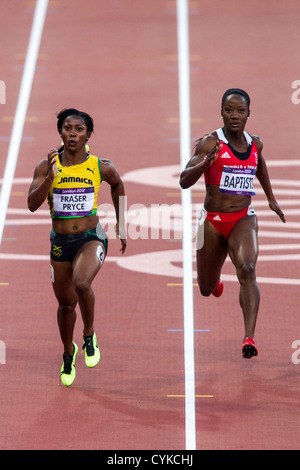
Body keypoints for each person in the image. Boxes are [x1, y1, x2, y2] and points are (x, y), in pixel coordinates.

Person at [179, 89, 286, 358]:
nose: (234, 116)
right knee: (204, 289)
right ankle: (214, 283)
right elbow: (183, 180)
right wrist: (205, 163)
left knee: (248, 269)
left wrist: (271, 199)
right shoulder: (209, 143)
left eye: (240, 111)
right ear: (222, 112)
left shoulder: (255, 144)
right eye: (229, 110)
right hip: (212, 222)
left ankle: (249, 337)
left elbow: (259, 164)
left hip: (242, 219)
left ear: (249, 113)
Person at [28, 108, 127, 385]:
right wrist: (50, 177)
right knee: (65, 305)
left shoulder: (99, 166)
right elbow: (32, 205)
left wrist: (121, 224)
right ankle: (67, 353)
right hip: (60, 243)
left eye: (79, 129)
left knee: (82, 283)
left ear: (88, 134)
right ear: (60, 132)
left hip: (90, 237)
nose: (73, 133)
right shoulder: (45, 165)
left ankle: (89, 335)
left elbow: (117, 184)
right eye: (68, 128)